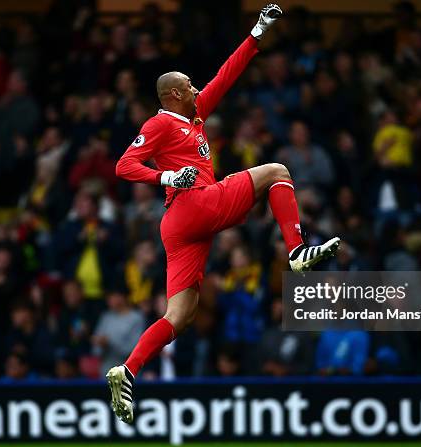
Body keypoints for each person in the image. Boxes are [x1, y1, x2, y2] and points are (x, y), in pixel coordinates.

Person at [107, 3, 340, 424]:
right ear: (174, 94)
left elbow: (225, 77)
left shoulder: (193, 118)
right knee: (277, 171)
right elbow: (124, 165)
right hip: (194, 203)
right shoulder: (161, 124)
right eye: (190, 86)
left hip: (180, 227)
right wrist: (167, 177)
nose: (198, 89)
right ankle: (296, 252)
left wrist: (256, 34)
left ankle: (128, 370)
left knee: (181, 315)